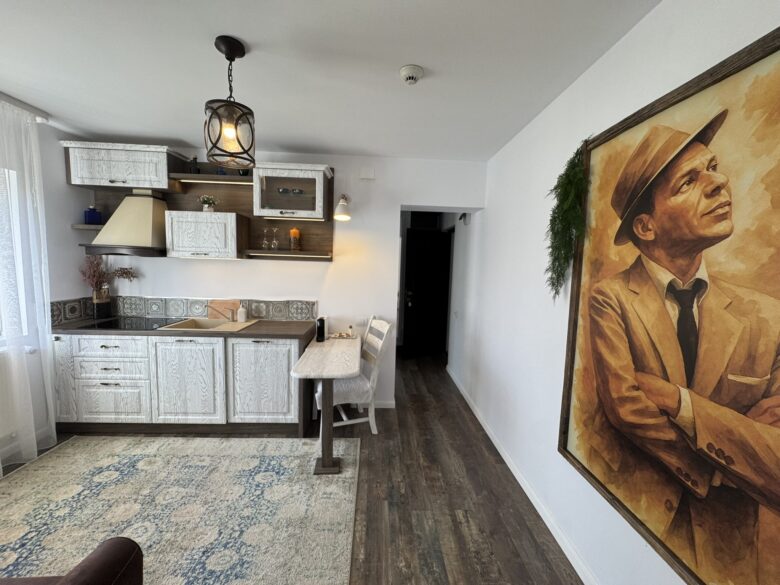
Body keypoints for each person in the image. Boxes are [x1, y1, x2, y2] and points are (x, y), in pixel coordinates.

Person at [588, 109, 780, 585]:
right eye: (688, 182)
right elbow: (626, 408)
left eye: (713, 168)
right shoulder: (612, 298)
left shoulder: (767, 317)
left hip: (729, 547)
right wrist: (736, 447)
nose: (719, 184)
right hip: (637, 517)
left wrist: (679, 402)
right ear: (646, 228)